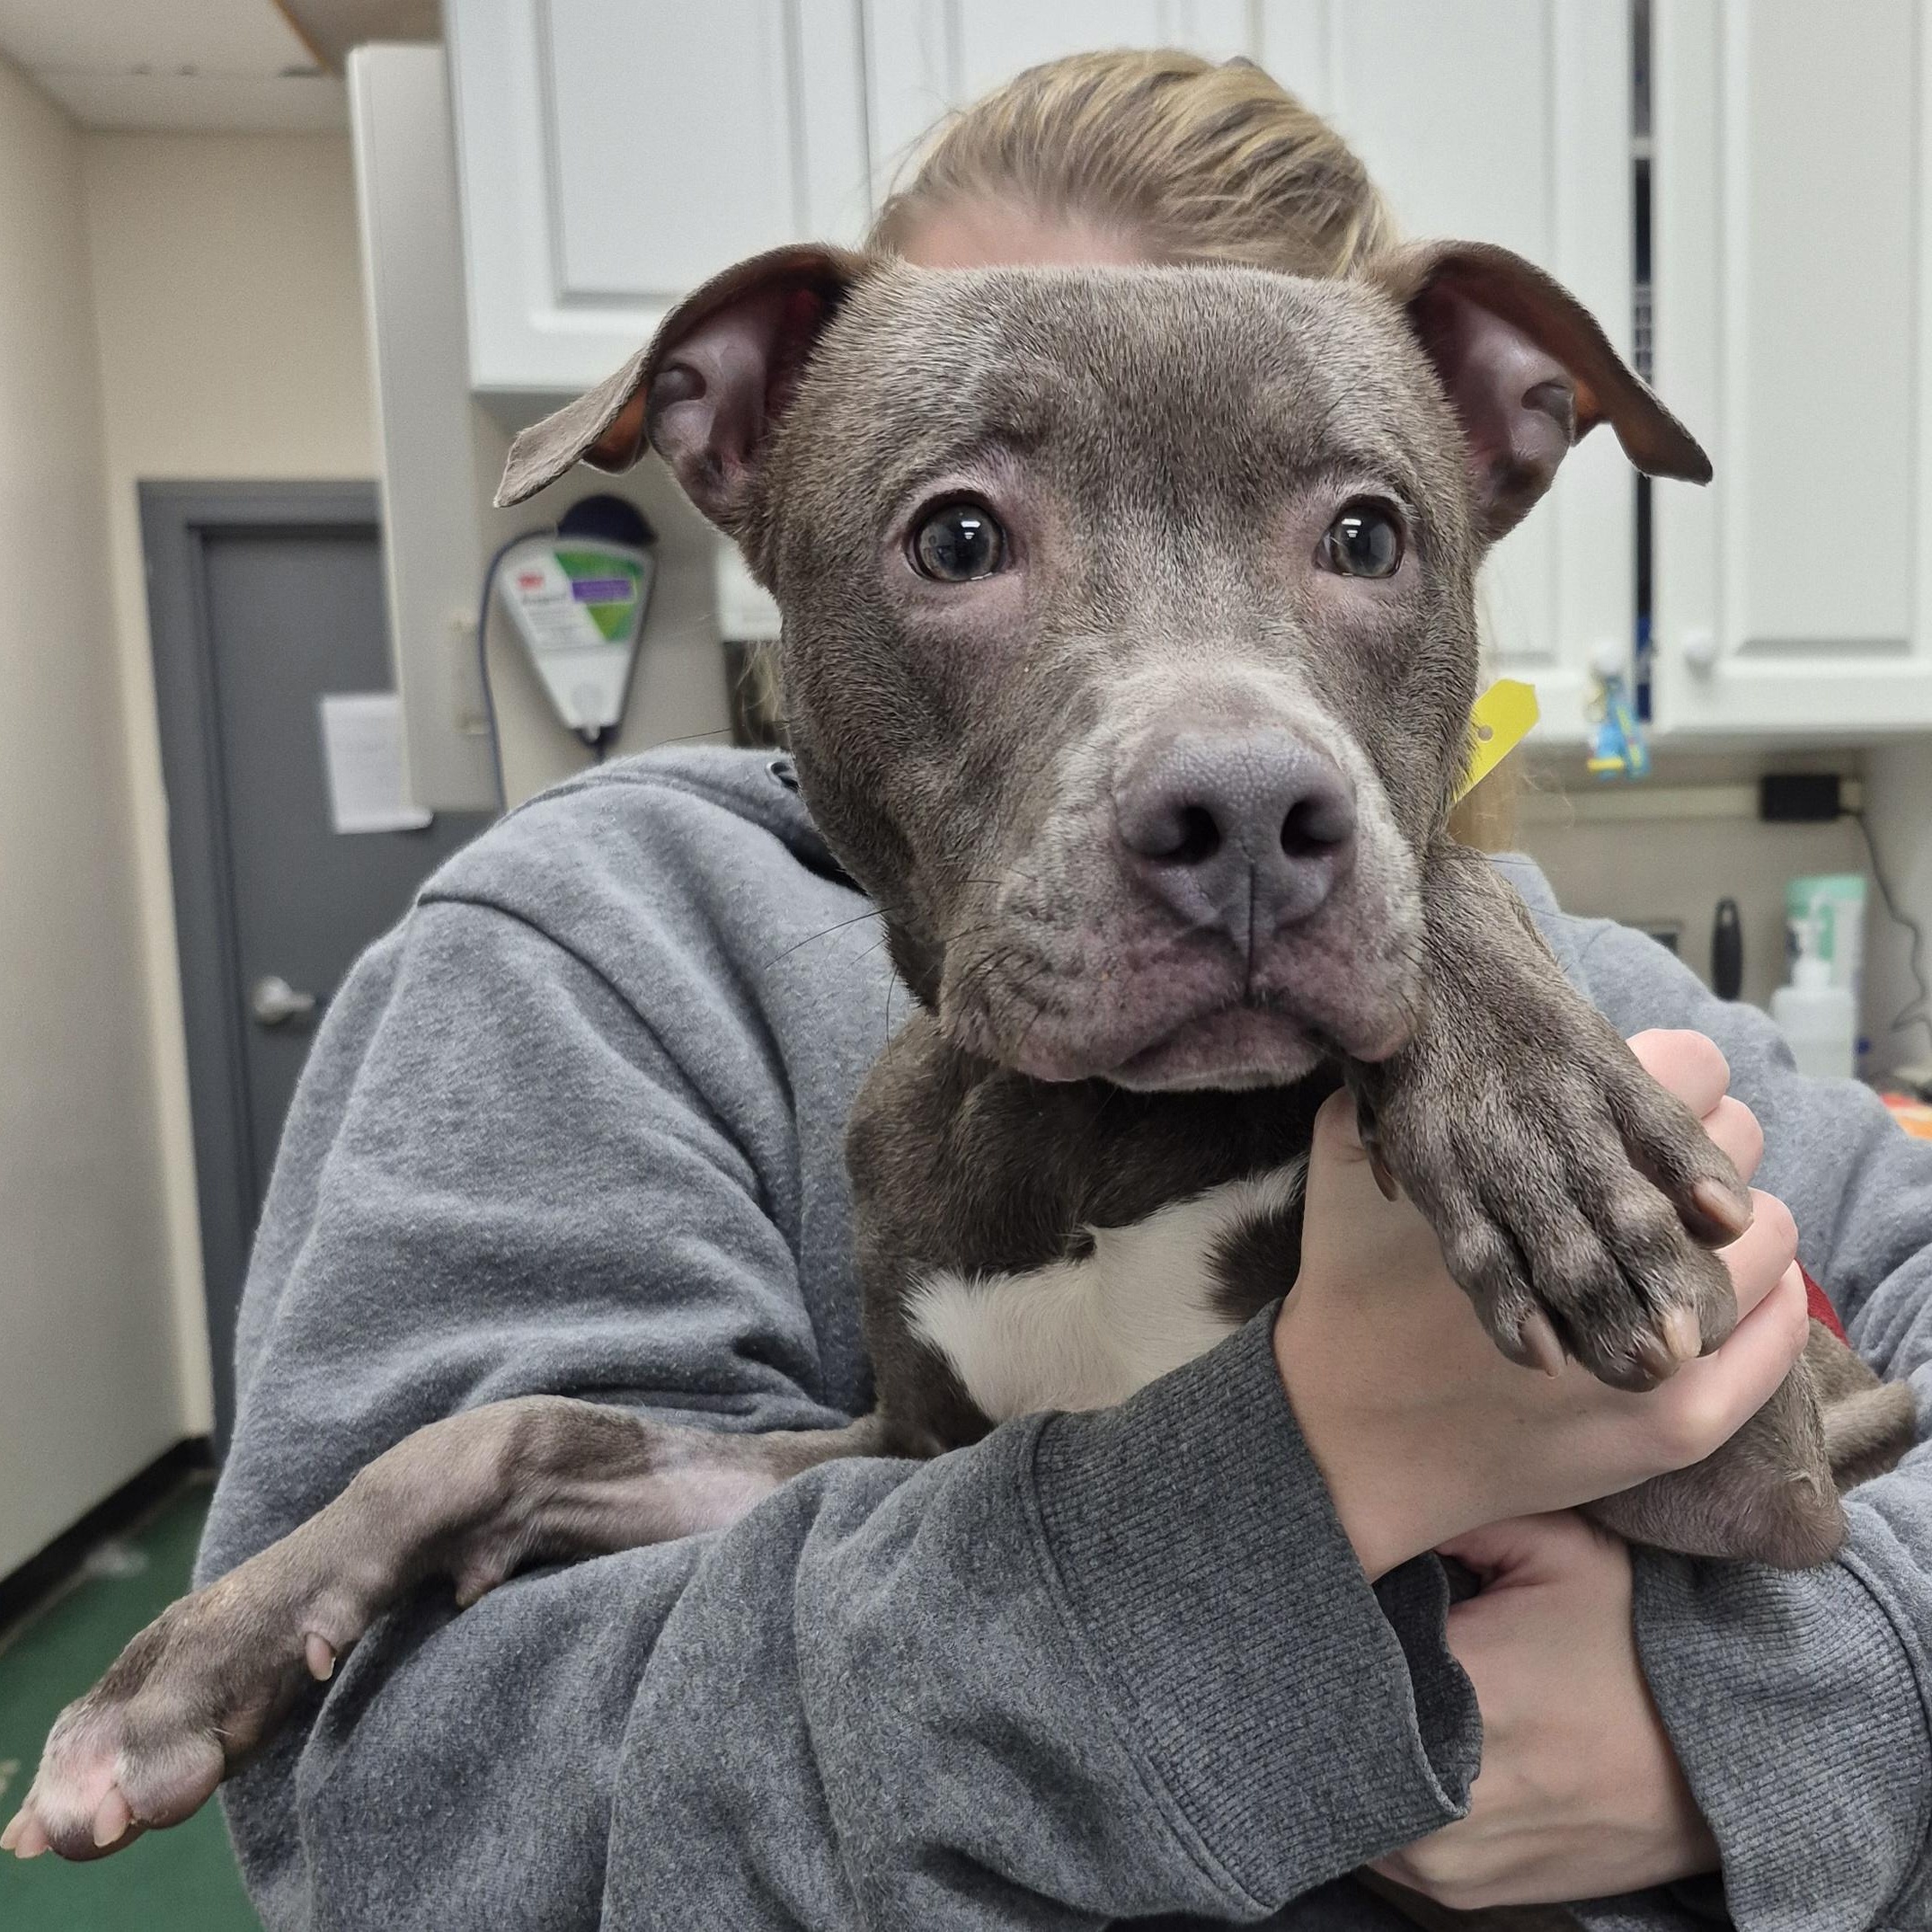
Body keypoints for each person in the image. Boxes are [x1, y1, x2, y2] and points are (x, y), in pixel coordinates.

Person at [188, 50, 1929, 1931]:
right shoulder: (595, 954)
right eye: (965, 532)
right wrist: (1291, 1488)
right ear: (759, 460)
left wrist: (1748, 1720)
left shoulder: (1586, 996)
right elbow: (413, 1829)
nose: (1215, 741)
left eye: (1353, 536)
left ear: (1480, 467)